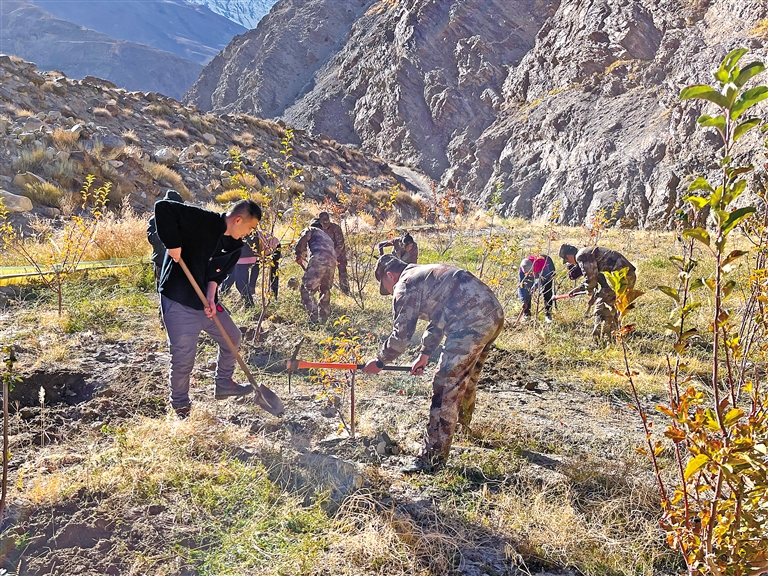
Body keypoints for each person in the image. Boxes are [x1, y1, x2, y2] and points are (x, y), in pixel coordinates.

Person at [362, 255, 505, 474]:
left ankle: (431, 458)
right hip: (493, 314)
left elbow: (401, 336)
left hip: (470, 320)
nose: (390, 292)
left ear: (389, 275)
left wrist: (380, 361)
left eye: (386, 287)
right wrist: (425, 354)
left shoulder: (405, 284)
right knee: (467, 377)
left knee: (445, 385)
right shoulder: (426, 274)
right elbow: (440, 316)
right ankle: (463, 427)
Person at [154, 198, 262, 418]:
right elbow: (163, 208)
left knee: (232, 336)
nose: (249, 233)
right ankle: (181, 407)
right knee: (184, 357)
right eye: (250, 227)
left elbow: (216, 275)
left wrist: (212, 298)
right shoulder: (202, 220)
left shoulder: (235, 246)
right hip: (179, 299)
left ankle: (223, 383)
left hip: (204, 302)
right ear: (238, 219)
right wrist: (173, 244)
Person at [559, 243, 636, 340]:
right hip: (625, 277)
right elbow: (598, 280)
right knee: (612, 307)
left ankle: (598, 340)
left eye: (566, 260)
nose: (569, 263)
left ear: (569, 255)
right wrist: (580, 289)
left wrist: (588, 289)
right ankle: (612, 336)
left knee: (601, 309)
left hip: (619, 278)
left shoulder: (581, 256)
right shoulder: (588, 253)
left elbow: (591, 280)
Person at [294, 220, 336, 324]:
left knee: (306, 289)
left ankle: (313, 320)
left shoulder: (311, 229)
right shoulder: (327, 237)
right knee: (325, 289)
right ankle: (324, 318)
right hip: (332, 262)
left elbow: (303, 238)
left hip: (319, 259)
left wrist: (299, 254)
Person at [147, 189, 184, 289]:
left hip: (180, 261)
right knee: (162, 288)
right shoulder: (154, 220)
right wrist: (166, 226)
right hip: (161, 260)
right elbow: (152, 239)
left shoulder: (183, 219)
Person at [310, 212, 349, 295]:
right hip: (326, 255)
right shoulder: (317, 229)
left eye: (327, 222)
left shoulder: (335, 228)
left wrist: (334, 256)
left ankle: (345, 290)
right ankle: (325, 291)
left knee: (342, 271)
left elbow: (340, 244)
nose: (325, 225)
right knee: (326, 273)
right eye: (323, 223)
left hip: (338, 254)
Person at [518, 254, 555, 323]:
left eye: (530, 273)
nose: (529, 275)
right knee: (527, 289)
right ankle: (527, 315)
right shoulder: (522, 270)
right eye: (527, 274)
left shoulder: (542, 263)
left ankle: (548, 315)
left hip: (546, 271)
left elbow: (545, 277)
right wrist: (523, 300)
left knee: (547, 291)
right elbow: (521, 285)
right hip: (535, 271)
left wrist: (536, 285)